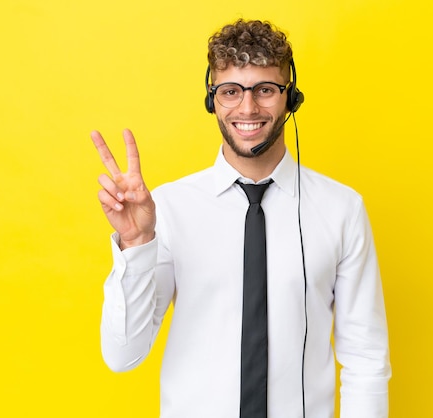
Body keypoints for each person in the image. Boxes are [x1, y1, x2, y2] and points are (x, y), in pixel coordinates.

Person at [91, 19, 391, 418]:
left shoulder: (341, 209)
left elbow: (365, 359)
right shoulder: (167, 209)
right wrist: (135, 244)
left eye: (265, 90)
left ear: (291, 97)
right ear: (212, 99)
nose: (247, 108)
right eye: (231, 91)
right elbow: (122, 355)